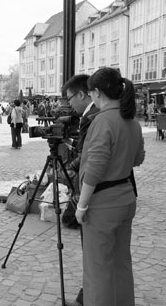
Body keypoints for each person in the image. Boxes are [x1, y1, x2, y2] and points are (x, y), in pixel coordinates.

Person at [72, 67, 144, 306]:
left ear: (98, 92)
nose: (91, 97)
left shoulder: (103, 120)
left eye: (91, 93)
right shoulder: (131, 119)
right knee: (121, 262)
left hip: (103, 203)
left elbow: (95, 168)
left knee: (97, 269)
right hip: (125, 196)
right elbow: (138, 158)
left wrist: (81, 205)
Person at [63, 74, 99, 305]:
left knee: (93, 251)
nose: (69, 104)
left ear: (83, 94)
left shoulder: (94, 117)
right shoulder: (110, 115)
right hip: (117, 194)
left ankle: (87, 297)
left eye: (69, 99)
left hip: (97, 195)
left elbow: (91, 159)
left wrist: (68, 168)